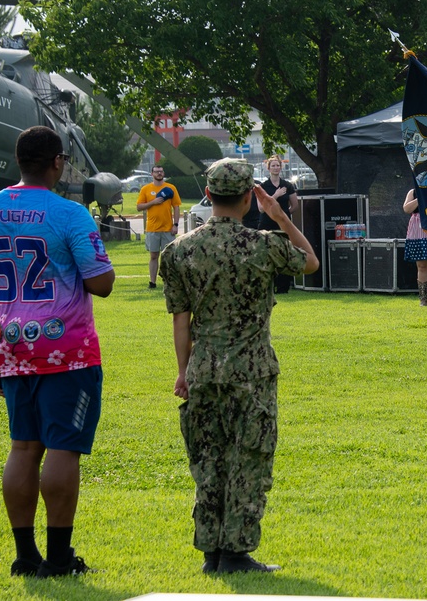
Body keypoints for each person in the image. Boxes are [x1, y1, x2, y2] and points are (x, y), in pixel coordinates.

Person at [0, 126, 115, 578]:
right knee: (63, 448)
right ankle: (60, 557)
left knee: (23, 448)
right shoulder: (70, 214)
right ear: (57, 161)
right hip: (66, 349)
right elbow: (101, 283)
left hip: (11, 347)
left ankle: (25, 555)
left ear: (18, 161)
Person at [160, 157, 319, 574]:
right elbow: (310, 261)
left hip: (203, 367)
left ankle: (212, 551)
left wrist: (182, 371)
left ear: (208, 195)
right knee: (248, 459)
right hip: (251, 370)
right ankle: (235, 552)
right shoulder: (263, 245)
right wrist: (279, 215)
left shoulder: (178, 251)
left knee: (208, 459)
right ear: (250, 197)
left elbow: (181, 319)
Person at [257, 155, 299, 293]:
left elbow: (294, 206)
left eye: (278, 165)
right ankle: (267, 285)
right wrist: (275, 195)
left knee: (284, 253)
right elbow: (261, 208)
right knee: (266, 254)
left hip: (283, 225)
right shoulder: (263, 187)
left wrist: (284, 215)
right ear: (268, 168)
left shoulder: (287, 185)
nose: (276, 168)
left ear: (281, 167)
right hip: (267, 224)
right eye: (273, 165)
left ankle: (283, 287)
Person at [136, 164, 181, 289]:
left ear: (163, 173)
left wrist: (175, 225)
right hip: (152, 229)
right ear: (152, 174)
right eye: (156, 172)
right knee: (154, 256)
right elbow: (139, 207)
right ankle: (152, 282)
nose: (159, 174)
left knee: (169, 256)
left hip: (168, 229)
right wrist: (153, 202)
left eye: (161, 171)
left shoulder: (170, 188)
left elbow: (176, 207)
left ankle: (170, 282)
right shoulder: (146, 189)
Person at [402, 188, 427, 306]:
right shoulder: (413, 192)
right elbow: (406, 208)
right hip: (417, 231)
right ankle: (423, 299)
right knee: (421, 265)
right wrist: (420, 198)